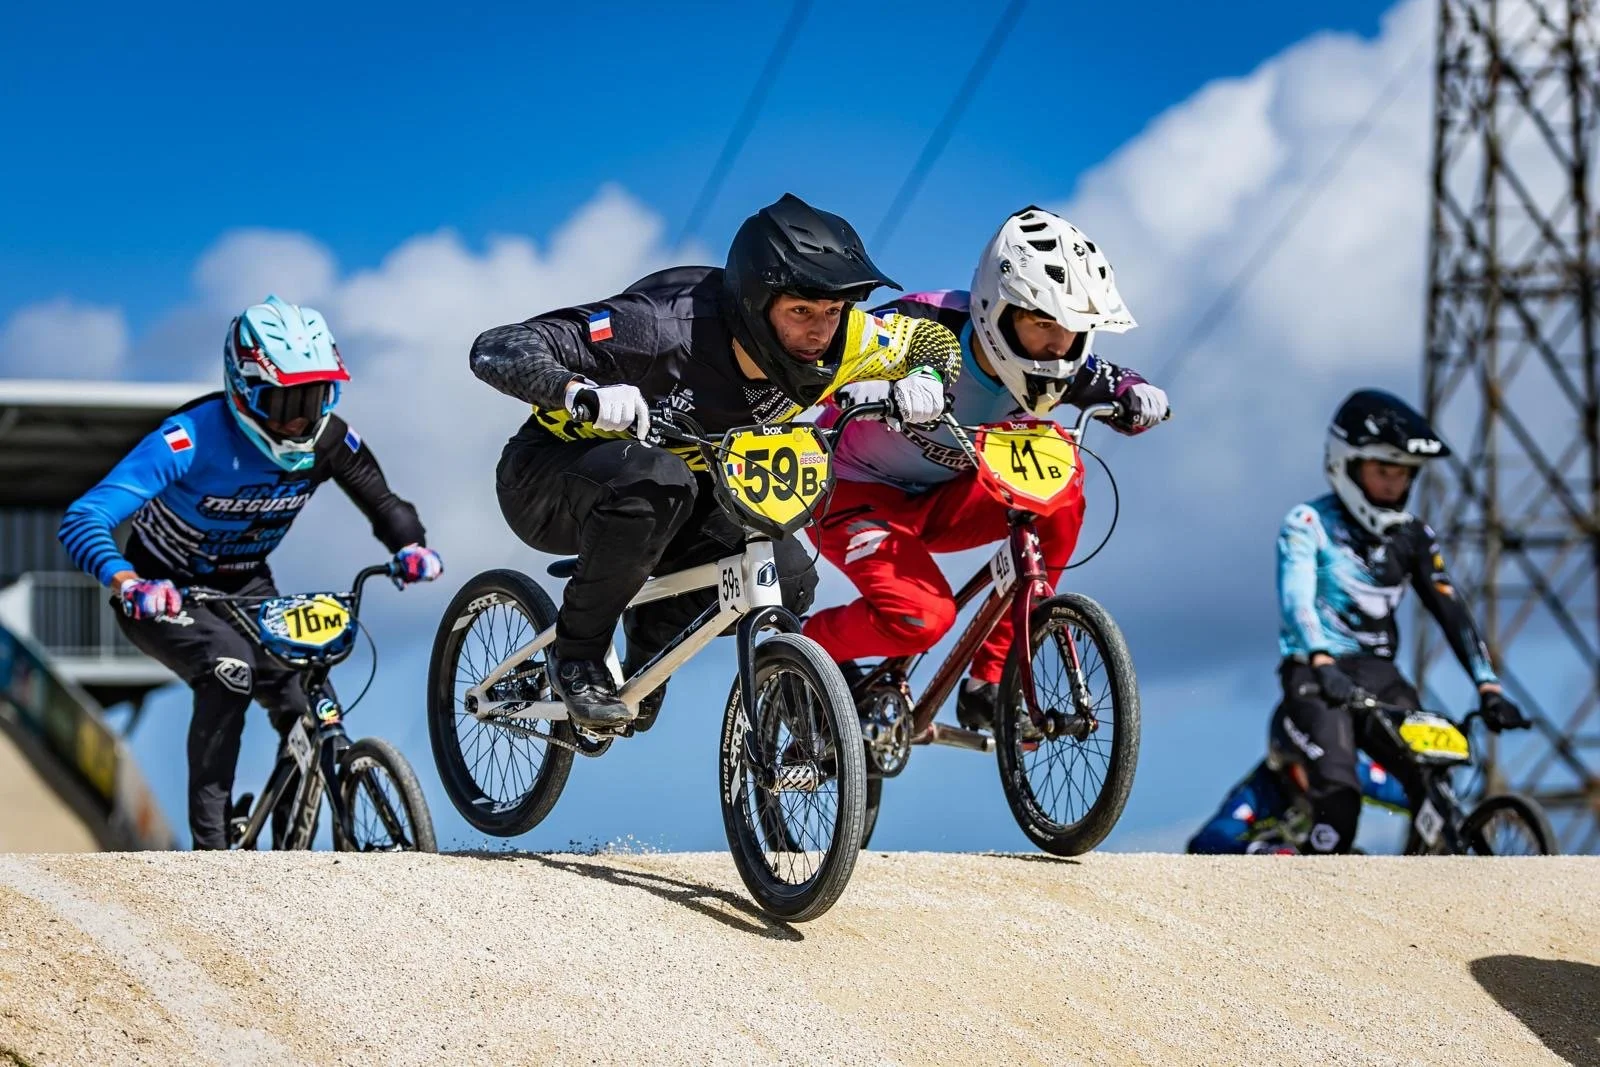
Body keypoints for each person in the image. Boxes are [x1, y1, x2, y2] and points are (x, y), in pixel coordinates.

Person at [469, 193, 963, 732]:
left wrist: (928, 380)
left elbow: (929, 338)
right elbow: (499, 347)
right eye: (800, 312)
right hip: (550, 478)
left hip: (687, 490)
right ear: (755, 302)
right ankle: (579, 656)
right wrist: (577, 390)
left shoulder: (847, 341)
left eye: (832, 311)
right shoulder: (657, 329)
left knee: (791, 576)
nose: (819, 332)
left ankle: (650, 652)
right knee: (659, 477)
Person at [58, 295, 443, 849]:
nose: (300, 419)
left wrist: (412, 546)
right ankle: (213, 855)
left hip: (249, 587)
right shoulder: (189, 438)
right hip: (166, 591)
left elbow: (386, 504)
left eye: (315, 398)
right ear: (242, 389)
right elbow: (85, 516)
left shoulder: (329, 438)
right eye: (284, 400)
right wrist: (129, 582)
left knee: (309, 699)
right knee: (228, 671)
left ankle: (291, 851)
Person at [799, 207, 1170, 731]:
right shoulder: (921, 326)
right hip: (851, 494)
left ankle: (990, 680)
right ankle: (812, 644)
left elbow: (1110, 380)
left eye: (1073, 329)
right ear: (999, 308)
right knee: (924, 619)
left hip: (944, 499)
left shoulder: (1061, 360)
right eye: (1043, 324)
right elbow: (819, 359)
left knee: (1061, 480)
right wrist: (867, 387)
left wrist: (1135, 393)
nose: (1058, 346)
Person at [1204, 388, 1529, 856]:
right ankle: (1317, 910)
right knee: (1340, 798)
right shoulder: (1308, 523)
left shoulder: (1414, 535)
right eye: (1383, 471)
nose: (1395, 485)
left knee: (1432, 782)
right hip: (1316, 675)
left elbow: (1450, 609)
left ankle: (1435, 889)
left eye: (1404, 474)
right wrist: (1319, 658)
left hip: (1380, 673)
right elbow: (1295, 601)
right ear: (1348, 464)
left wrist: (1489, 687)